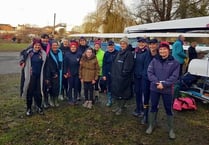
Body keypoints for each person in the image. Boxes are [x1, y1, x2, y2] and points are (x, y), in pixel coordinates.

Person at [146, 41, 180, 139]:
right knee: (153, 106)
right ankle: (151, 125)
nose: (162, 51)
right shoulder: (154, 61)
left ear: (168, 50)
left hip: (167, 90)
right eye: (160, 49)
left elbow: (175, 76)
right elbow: (150, 72)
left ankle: (171, 129)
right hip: (155, 88)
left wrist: (164, 84)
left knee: (168, 108)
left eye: (164, 49)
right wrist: (157, 82)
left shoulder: (175, 63)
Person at [22, 38, 47, 116]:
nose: (37, 47)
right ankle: (29, 108)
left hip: (40, 76)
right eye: (36, 45)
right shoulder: (29, 53)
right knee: (30, 92)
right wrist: (22, 61)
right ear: (33, 45)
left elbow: (45, 64)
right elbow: (22, 56)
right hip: (31, 76)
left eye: (39, 45)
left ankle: (39, 107)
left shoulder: (42, 54)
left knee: (39, 93)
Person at [111, 37, 134, 115]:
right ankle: (118, 106)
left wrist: (123, 74)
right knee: (117, 92)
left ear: (127, 44)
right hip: (116, 76)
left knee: (123, 93)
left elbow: (128, 67)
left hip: (124, 78)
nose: (122, 45)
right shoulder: (119, 52)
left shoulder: (129, 53)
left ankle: (121, 107)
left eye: (124, 43)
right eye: (121, 43)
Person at [141, 38, 158, 124]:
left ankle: (154, 118)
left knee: (155, 99)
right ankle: (145, 116)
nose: (152, 46)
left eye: (153, 44)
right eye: (150, 44)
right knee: (146, 98)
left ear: (157, 45)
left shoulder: (159, 56)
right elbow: (142, 66)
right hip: (146, 80)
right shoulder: (145, 55)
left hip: (155, 81)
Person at [132, 37, 148, 117]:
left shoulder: (147, 52)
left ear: (145, 43)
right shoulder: (136, 51)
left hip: (143, 77)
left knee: (143, 94)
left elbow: (146, 66)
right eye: (139, 42)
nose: (141, 44)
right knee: (137, 93)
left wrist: (143, 74)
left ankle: (143, 110)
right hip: (136, 76)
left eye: (142, 42)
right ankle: (138, 108)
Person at [45, 40, 63, 107]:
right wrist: (53, 73)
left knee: (57, 87)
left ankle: (56, 99)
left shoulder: (60, 52)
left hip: (59, 72)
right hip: (51, 73)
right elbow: (49, 65)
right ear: (51, 46)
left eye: (56, 45)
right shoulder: (49, 54)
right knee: (51, 87)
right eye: (53, 45)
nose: (55, 46)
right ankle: (51, 100)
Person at [63, 41, 82, 105]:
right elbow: (65, 64)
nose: (73, 48)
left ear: (76, 48)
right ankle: (70, 99)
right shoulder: (67, 54)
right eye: (72, 47)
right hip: (69, 74)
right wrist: (65, 73)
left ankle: (75, 99)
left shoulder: (79, 54)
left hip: (76, 73)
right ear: (70, 48)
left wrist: (80, 73)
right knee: (70, 87)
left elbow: (81, 64)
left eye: (74, 47)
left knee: (76, 87)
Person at [102, 40, 118, 107]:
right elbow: (104, 64)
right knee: (109, 87)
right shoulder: (106, 53)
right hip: (108, 73)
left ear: (113, 46)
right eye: (109, 46)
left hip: (116, 73)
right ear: (107, 47)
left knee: (116, 87)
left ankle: (116, 99)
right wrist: (104, 74)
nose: (110, 47)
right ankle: (109, 99)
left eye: (111, 46)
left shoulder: (117, 53)